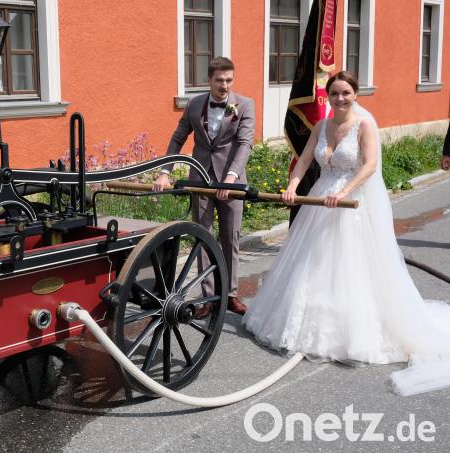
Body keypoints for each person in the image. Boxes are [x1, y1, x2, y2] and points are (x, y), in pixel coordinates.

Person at [243, 71, 450, 396]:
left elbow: (369, 166)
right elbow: (304, 159)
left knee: (349, 265)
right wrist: (293, 186)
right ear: (328, 96)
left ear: (355, 94)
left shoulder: (364, 125)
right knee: (312, 262)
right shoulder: (322, 127)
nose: (340, 98)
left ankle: (352, 329)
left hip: (351, 203)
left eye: (346, 93)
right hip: (320, 201)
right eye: (335, 93)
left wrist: (346, 192)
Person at [153, 57, 255, 316]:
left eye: (229, 80)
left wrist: (230, 178)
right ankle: (209, 297)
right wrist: (165, 172)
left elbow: (245, 144)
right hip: (200, 179)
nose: (224, 85)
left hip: (231, 181)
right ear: (208, 79)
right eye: (219, 80)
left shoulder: (244, 105)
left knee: (230, 238)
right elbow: (178, 138)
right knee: (203, 237)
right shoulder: (195, 104)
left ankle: (230, 295)